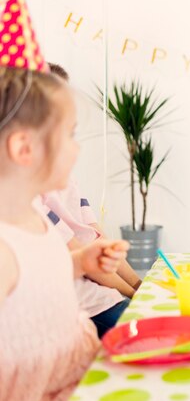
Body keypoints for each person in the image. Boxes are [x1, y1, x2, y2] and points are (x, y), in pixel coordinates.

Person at [0, 62, 128, 401]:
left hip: (76, 376)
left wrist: (80, 262)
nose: (77, 149)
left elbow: (38, 271)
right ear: (24, 148)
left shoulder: (34, 213)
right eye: (69, 134)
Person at [40, 62, 141, 337]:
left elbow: (96, 238)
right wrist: (130, 292)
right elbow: (82, 259)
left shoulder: (66, 179)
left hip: (104, 294)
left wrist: (138, 285)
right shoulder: (34, 197)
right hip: (86, 303)